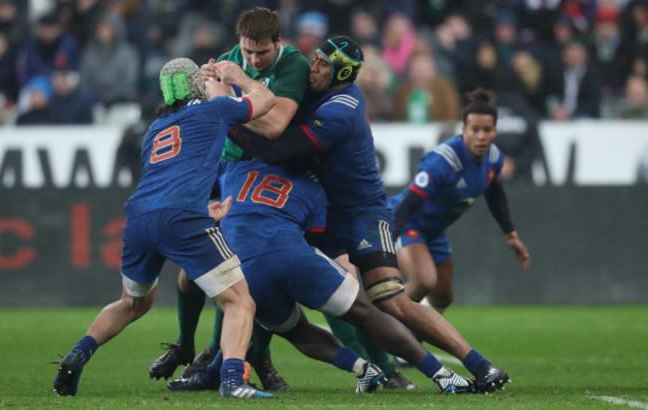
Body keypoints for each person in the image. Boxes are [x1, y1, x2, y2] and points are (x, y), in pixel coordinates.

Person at [227, 35, 511, 394]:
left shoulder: (340, 108)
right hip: (329, 209)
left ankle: (479, 365)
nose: (313, 67)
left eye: (323, 64)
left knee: (389, 299)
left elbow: (284, 150)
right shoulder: (319, 93)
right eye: (315, 59)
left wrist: (228, 116)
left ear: (341, 73)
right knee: (291, 282)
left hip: (362, 211)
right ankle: (366, 369)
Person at [52, 57, 276, 399]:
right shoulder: (214, 110)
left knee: (131, 304)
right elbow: (266, 102)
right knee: (240, 302)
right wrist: (239, 77)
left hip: (140, 218)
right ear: (197, 86)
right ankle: (232, 381)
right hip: (182, 217)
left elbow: (167, 179)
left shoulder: (155, 129)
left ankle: (77, 354)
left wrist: (201, 206)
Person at [165, 157, 473, 394]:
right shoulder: (314, 188)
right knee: (365, 312)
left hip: (247, 271)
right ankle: (442, 375)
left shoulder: (233, 169)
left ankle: (361, 367)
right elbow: (318, 239)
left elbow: (195, 184)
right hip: (293, 255)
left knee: (295, 330)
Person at [148, 7, 310, 392]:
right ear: (239, 43)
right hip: (221, 169)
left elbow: (274, 126)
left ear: (278, 43)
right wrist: (206, 95)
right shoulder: (228, 59)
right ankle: (188, 345)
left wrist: (232, 88)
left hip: (265, 173)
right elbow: (209, 115)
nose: (252, 60)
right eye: (246, 53)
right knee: (192, 269)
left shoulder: (294, 67)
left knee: (247, 269)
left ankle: (241, 358)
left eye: (261, 55)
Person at [389, 88, 531, 314]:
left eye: (487, 129)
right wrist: (386, 248)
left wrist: (511, 234)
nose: (481, 136)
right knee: (425, 281)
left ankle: (407, 344)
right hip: (408, 222)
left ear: (495, 131)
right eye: (475, 130)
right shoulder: (443, 162)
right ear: (464, 130)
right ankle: (372, 317)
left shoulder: (494, 157)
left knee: (443, 296)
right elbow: (408, 205)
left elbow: (495, 194)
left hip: (434, 231)